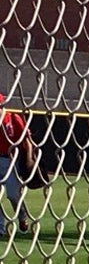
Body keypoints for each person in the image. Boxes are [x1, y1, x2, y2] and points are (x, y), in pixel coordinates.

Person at [0, 92, 35, 234]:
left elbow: (27, 140)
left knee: (13, 195)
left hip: (11, 161)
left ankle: (21, 216)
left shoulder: (13, 118)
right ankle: (0, 229)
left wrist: (29, 158)